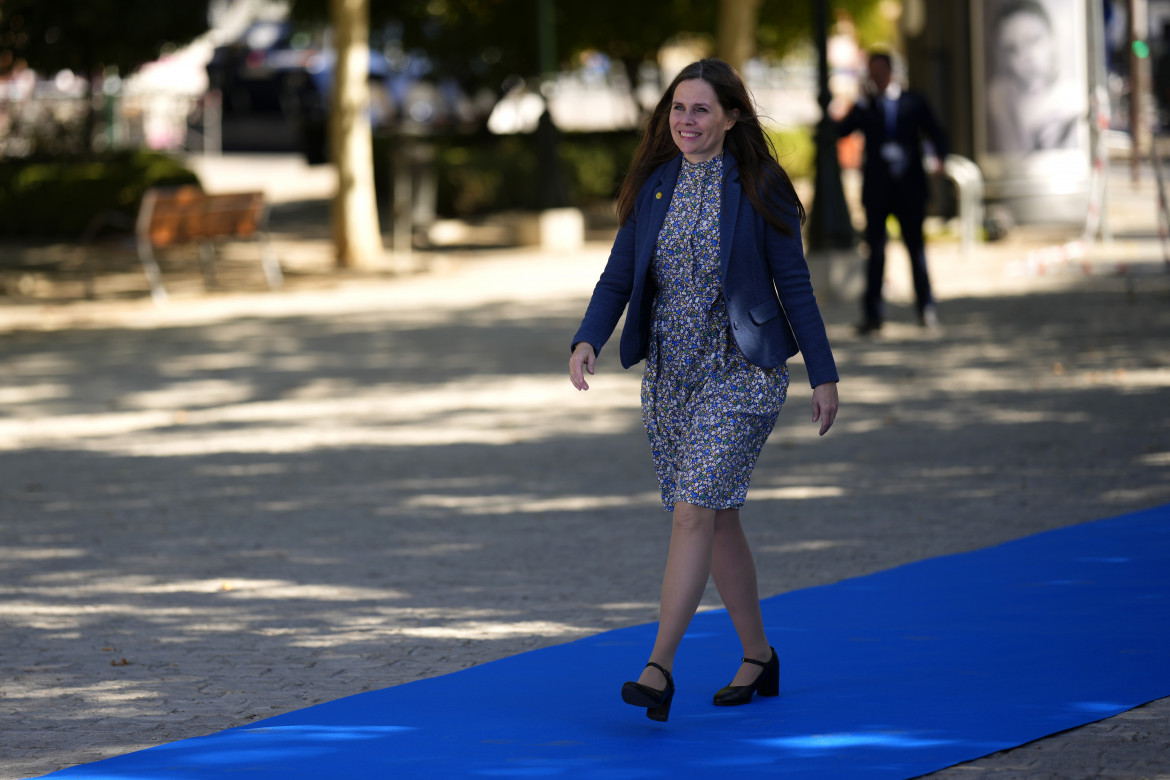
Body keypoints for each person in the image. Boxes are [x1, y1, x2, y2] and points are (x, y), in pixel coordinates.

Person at [568, 59, 839, 722]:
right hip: (672, 376)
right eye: (678, 108)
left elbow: (794, 285)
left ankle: (659, 668)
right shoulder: (655, 183)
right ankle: (759, 655)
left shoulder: (760, 184)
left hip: (742, 372)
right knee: (717, 518)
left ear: (731, 116)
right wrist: (588, 338)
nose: (686, 121)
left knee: (692, 511)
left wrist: (823, 373)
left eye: (701, 109)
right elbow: (618, 276)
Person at [837, 50, 948, 335]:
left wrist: (940, 157)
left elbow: (936, 131)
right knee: (875, 254)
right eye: (872, 73)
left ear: (890, 72)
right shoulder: (867, 105)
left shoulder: (914, 101)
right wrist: (859, 103)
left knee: (916, 250)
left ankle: (926, 308)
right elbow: (842, 130)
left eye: (880, 72)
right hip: (877, 191)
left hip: (909, 189)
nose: (877, 78)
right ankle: (872, 316)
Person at [986, 0, 1083, 153]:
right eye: (1012, 49)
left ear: (1053, 39)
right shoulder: (1000, 96)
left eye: (1033, 40)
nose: (1025, 56)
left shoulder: (1072, 96)